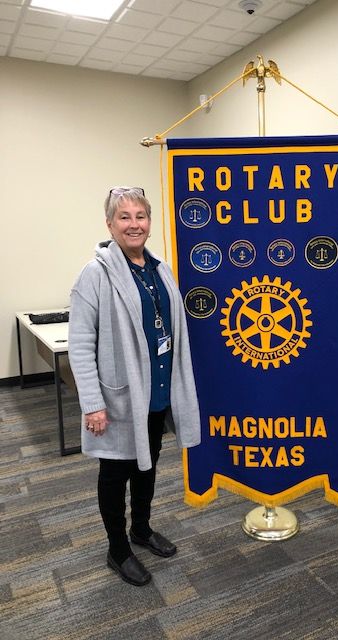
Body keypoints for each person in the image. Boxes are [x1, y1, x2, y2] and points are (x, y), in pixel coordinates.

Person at [69, 186, 200, 587]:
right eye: (124, 217)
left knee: (148, 463)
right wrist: (93, 403)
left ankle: (141, 529)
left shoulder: (160, 269)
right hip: (119, 397)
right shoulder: (95, 274)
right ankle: (118, 548)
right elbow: (80, 343)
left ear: (149, 222)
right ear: (110, 225)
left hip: (155, 392)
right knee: (115, 473)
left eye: (140, 216)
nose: (134, 224)